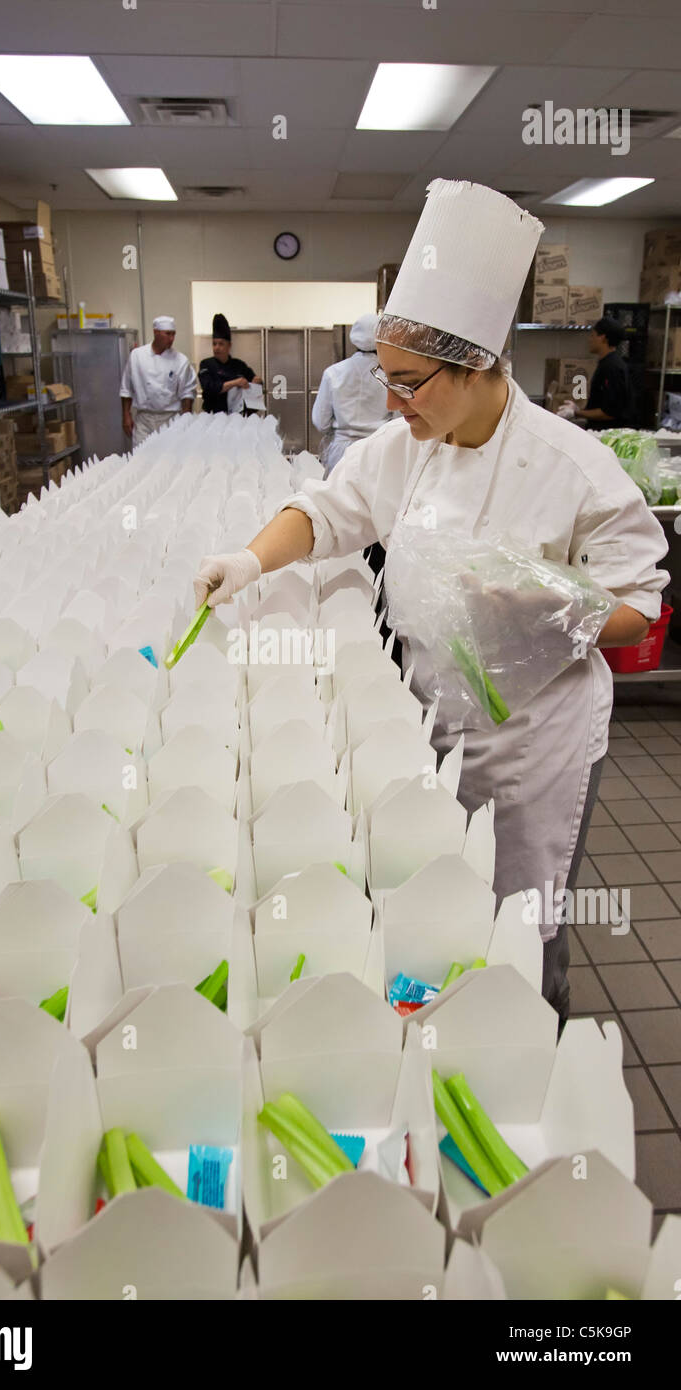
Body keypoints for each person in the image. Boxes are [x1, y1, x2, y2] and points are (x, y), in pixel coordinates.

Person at [193, 180, 670, 1026]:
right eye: (386, 381)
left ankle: (539, 1030)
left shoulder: (574, 468)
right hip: (431, 718)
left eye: (411, 383)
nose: (394, 402)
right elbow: (326, 512)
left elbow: (640, 607)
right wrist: (248, 560)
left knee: (527, 917)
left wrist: (555, 606)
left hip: (535, 741)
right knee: (443, 906)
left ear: (477, 365)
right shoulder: (404, 446)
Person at [311, 312, 393, 475]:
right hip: (377, 451)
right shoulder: (390, 376)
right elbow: (398, 420)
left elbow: (320, 422)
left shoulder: (333, 372)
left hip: (342, 452)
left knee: (338, 499)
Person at [120, 315, 196, 443]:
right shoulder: (137, 356)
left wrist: (185, 421)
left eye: (173, 334)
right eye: (167, 334)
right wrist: (126, 415)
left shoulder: (181, 361)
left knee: (169, 458)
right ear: (156, 332)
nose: (171, 339)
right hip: (144, 420)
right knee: (141, 458)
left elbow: (187, 393)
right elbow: (126, 389)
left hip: (170, 420)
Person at [571, 316, 635, 428]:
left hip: (607, 433)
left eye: (592, 335)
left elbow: (610, 412)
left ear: (603, 338)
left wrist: (576, 412)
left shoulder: (612, 367)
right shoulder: (606, 363)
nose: (589, 340)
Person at [198, 314, 263, 414]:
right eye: (214, 344)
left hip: (238, 417)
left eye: (221, 344)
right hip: (213, 417)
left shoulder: (239, 365)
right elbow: (210, 388)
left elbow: (254, 382)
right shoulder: (206, 365)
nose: (217, 348)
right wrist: (235, 383)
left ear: (229, 346)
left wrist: (257, 381)